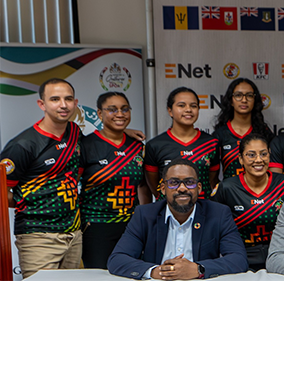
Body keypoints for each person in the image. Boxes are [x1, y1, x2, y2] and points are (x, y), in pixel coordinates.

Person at [108, 159, 248, 280]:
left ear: (199, 188)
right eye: (174, 182)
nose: (182, 188)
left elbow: (239, 259)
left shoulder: (219, 214)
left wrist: (198, 269)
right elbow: (117, 259)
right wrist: (157, 271)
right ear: (163, 188)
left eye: (189, 182)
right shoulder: (144, 215)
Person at [0, 79, 83, 278]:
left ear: (75, 103)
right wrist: (28, 202)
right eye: (55, 99)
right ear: (42, 104)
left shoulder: (74, 132)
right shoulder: (22, 145)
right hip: (38, 235)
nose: (63, 105)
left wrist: (123, 133)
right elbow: (2, 192)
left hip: (73, 233)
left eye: (68, 99)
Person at [79, 92, 148, 270]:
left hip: (131, 228)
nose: (120, 114)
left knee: (132, 273)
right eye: (112, 109)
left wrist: (144, 218)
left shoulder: (137, 146)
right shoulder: (86, 145)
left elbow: (142, 185)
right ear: (100, 114)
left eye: (125, 109)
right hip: (96, 227)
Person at [212, 134, 284, 271]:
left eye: (263, 154)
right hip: (241, 259)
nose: (258, 160)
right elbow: (214, 226)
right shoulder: (227, 188)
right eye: (251, 155)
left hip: (281, 256)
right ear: (241, 159)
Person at [144, 87, 220, 200]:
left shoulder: (211, 143)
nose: (188, 109)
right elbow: (155, 187)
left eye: (193, 106)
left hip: (203, 209)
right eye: (181, 105)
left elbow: (211, 180)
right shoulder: (155, 145)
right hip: (168, 210)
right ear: (170, 111)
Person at [213, 78, 275, 181]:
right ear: (231, 101)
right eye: (238, 95)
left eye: (249, 95)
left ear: (255, 100)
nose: (244, 100)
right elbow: (213, 178)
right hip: (230, 193)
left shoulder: (264, 133)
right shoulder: (220, 134)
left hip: (260, 194)